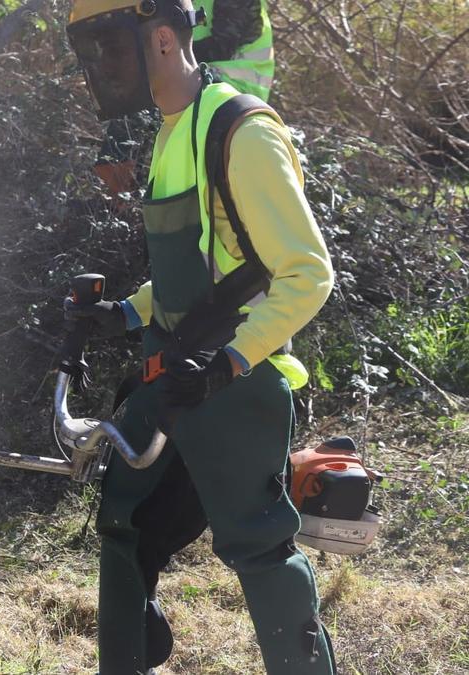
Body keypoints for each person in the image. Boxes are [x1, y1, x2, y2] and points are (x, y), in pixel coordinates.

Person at [63, 0, 337, 672]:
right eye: (90, 53)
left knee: (259, 549)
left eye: (109, 49)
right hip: (172, 376)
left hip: (233, 386)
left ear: (160, 39)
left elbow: (306, 273)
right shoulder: (171, 128)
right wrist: (125, 313)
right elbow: (208, 266)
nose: (98, 68)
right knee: (124, 524)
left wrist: (227, 363)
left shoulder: (240, 130)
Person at [92, 0, 274, 198]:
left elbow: (223, 44)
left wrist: (147, 53)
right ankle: (119, 191)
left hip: (235, 88)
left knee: (153, 87)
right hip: (194, 72)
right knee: (142, 86)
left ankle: (124, 190)